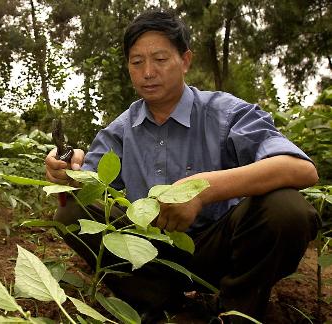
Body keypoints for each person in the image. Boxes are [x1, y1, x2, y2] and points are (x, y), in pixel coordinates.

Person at [45, 8, 320, 324]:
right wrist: (66, 172)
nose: (148, 72)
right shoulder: (119, 131)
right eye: (137, 62)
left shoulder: (225, 113)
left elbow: (300, 169)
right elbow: (83, 189)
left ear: (185, 60)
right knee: (70, 214)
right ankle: (165, 306)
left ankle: (237, 310)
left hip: (221, 249)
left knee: (287, 209)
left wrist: (202, 190)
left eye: (160, 60)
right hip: (148, 252)